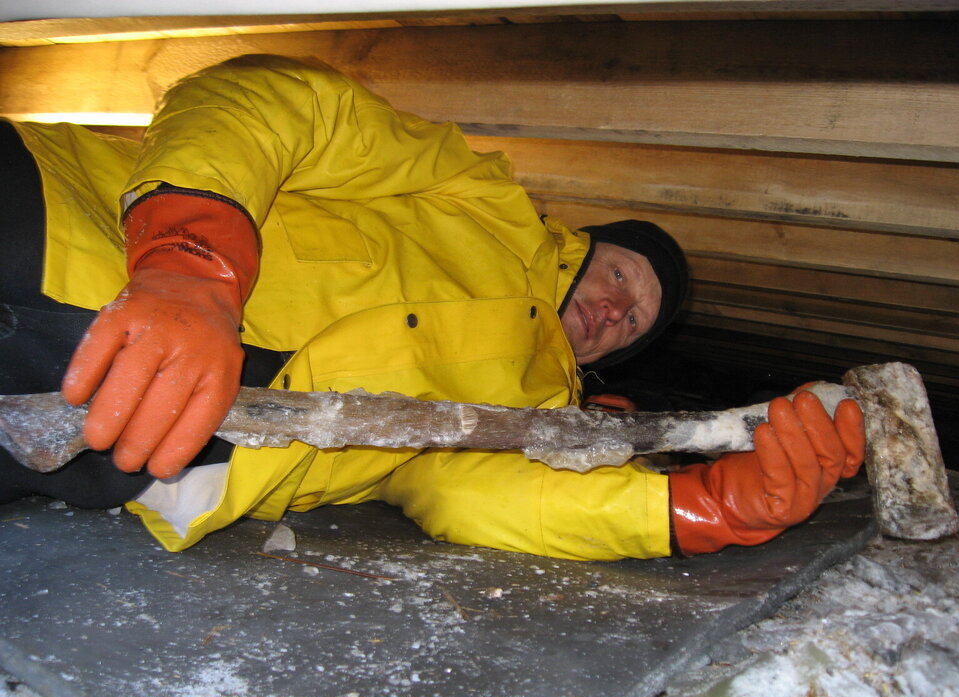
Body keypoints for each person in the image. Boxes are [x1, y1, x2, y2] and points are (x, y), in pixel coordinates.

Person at [0, 54, 865, 559]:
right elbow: (273, 101)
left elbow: (485, 502)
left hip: (145, 448)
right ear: (586, 241)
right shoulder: (477, 198)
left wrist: (701, 510)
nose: (614, 309)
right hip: (53, 227)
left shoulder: (533, 411)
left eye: (632, 321)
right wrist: (190, 262)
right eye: (618, 277)